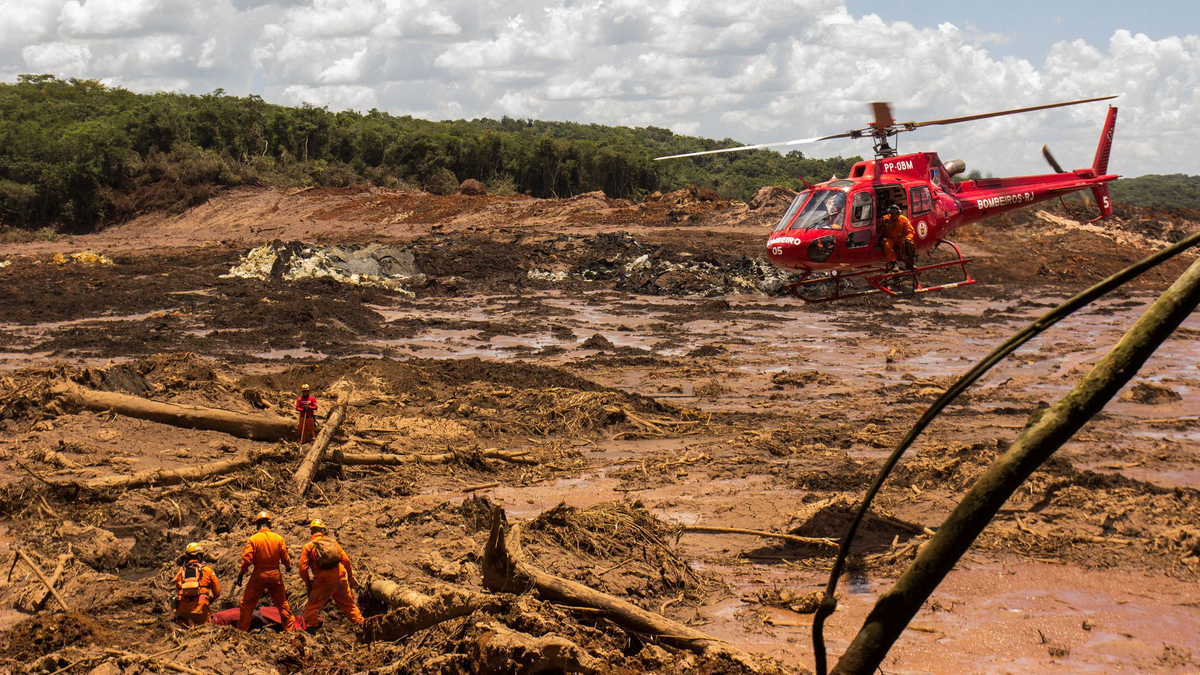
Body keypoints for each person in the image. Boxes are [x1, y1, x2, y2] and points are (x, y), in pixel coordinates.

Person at [299, 519, 363, 632]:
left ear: (311, 531)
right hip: (341, 576)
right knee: (349, 605)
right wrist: (351, 576)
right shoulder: (333, 542)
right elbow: (347, 561)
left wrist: (308, 583)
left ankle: (311, 632)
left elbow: (303, 569)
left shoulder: (308, 547)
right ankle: (362, 625)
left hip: (324, 580)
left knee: (312, 608)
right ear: (323, 530)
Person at [236, 511, 295, 632]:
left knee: (247, 604)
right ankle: (290, 631)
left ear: (257, 525)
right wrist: (288, 567)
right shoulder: (278, 538)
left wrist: (241, 574)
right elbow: (285, 557)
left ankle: (241, 631)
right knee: (283, 604)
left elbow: (247, 559)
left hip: (259, 575)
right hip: (275, 575)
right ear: (269, 524)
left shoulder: (253, 539)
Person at [173, 542, 220, 627]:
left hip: (182, 609)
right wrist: (208, 601)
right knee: (206, 629)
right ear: (199, 556)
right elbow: (217, 591)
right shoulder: (207, 570)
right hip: (201, 607)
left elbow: (178, 589)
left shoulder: (180, 571)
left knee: (183, 629)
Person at [881, 204, 915, 271]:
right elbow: (878, 231)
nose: (893, 215)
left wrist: (908, 239)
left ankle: (909, 263)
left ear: (898, 213)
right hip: (889, 238)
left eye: (895, 213)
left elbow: (910, 232)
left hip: (899, 239)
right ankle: (893, 264)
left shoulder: (904, 220)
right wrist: (883, 224)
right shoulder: (885, 218)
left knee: (909, 243)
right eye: (891, 213)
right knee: (886, 243)